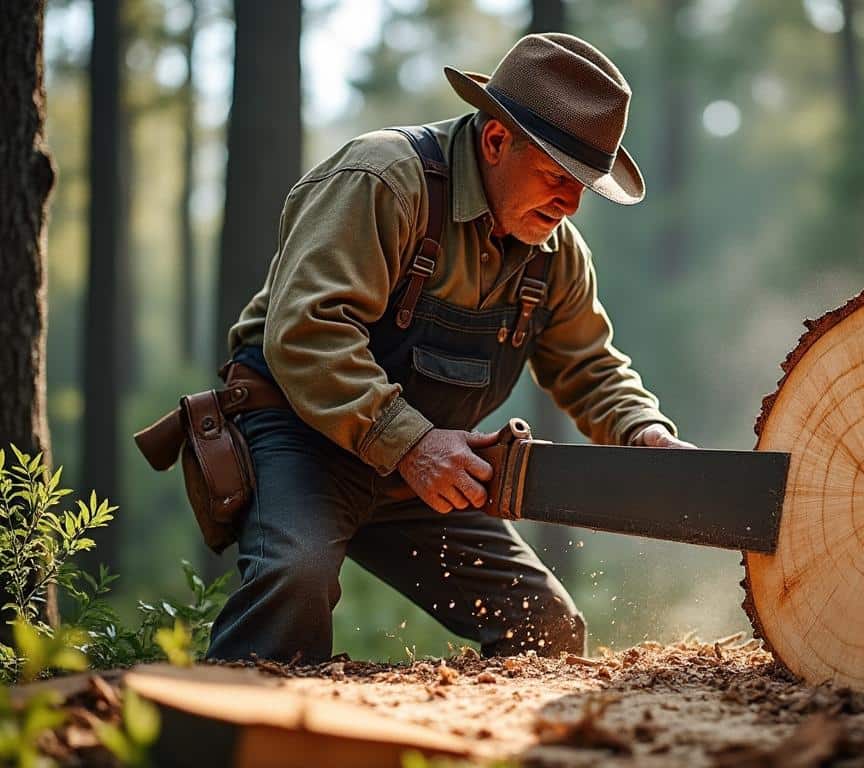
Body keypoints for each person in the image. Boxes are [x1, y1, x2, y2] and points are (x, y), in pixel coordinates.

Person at [206, 33, 693, 663]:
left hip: (422, 467)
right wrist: (410, 442)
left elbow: (590, 366)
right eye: (556, 176)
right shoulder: (382, 180)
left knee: (543, 627)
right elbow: (307, 333)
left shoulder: (556, 252)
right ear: (496, 141)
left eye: (584, 185)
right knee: (293, 579)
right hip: (301, 437)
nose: (570, 204)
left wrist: (643, 432)